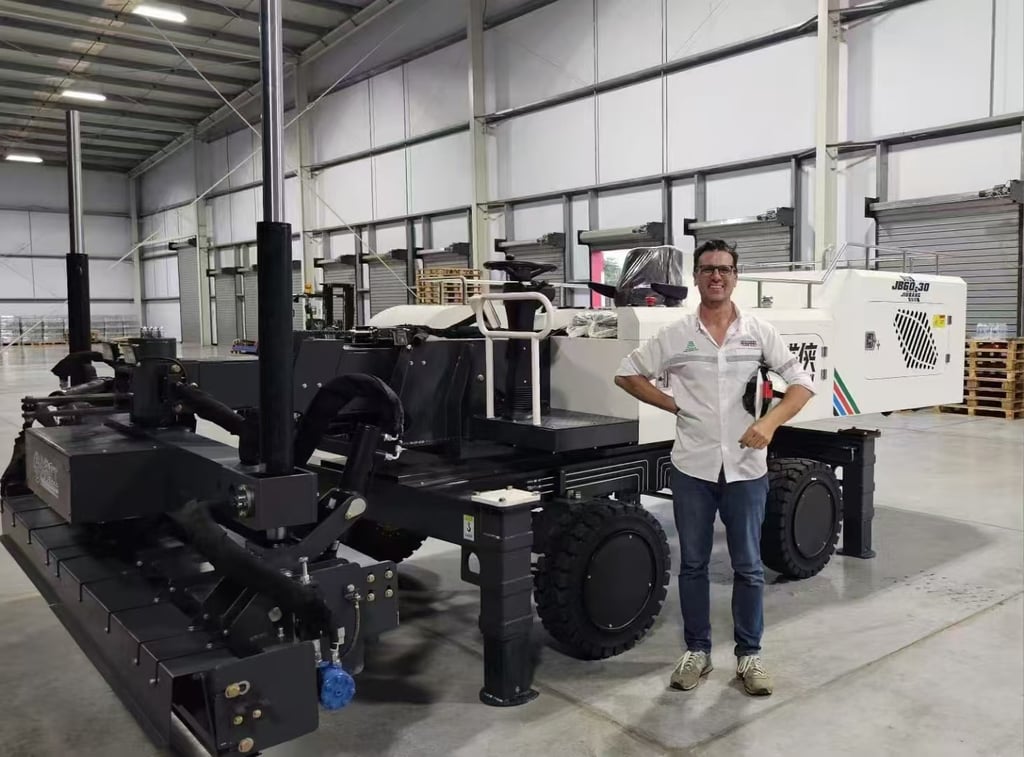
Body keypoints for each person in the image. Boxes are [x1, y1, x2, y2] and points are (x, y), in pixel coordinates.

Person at [613, 239, 815, 696]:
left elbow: (801, 383)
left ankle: (750, 655)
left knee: (749, 567)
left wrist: (770, 423)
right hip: (693, 468)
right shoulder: (677, 334)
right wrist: (672, 404)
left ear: (735, 277)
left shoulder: (759, 332)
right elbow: (627, 373)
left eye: (724, 269)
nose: (716, 276)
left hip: (746, 469)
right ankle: (697, 651)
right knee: (694, 565)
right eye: (707, 269)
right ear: (697, 278)